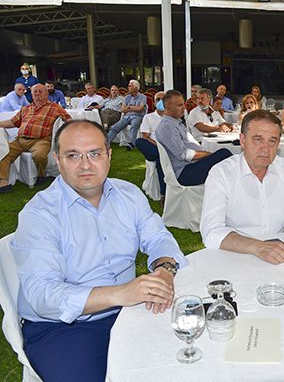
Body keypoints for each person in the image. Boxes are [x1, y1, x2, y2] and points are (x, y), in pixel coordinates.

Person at [12, 119, 188, 381]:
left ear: (109, 156)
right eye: (73, 155)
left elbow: (159, 238)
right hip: (63, 327)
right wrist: (121, 293)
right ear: (58, 160)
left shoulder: (129, 195)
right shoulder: (40, 215)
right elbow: (43, 296)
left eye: (94, 153)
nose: (85, 164)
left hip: (129, 312)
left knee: (187, 359)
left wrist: (165, 270)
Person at [200, 110, 284, 264]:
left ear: (278, 144)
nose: (266, 149)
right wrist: (258, 247)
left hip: (280, 257)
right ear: (242, 140)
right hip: (234, 256)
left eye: (272, 141)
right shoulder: (222, 173)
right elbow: (211, 231)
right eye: (258, 139)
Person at [0, 84, 71, 193]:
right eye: (35, 92)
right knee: (3, 152)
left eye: (40, 91)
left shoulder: (55, 107)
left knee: (39, 155)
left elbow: (68, 120)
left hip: (41, 140)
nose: (37, 94)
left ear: (46, 94)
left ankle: (41, 174)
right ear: (32, 94)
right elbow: (13, 122)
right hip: (20, 140)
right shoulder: (26, 108)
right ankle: (3, 182)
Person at [155, 90, 232, 186]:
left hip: (192, 166)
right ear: (168, 107)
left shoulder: (175, 123)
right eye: (180, 105)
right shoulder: (167, 127)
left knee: (227, 161)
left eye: (183, 104)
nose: (184, 108)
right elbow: (183, 154)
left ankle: (229, 189)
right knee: (224, 155)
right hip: (185, 172)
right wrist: (208, 154)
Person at [135, 91, 166, 202]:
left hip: (167, 148)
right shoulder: (148, 117)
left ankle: (163, 194)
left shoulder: (171, 117)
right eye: (158, 99)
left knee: (160, 160)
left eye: (163, 99)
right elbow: (145, 136)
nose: (161, 102)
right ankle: (164, 194)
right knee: (139, 141)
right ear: (154, 103)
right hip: (154, 147)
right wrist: (158, 145)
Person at [107, 79, 146, 151]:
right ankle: (106, 143)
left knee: (134, 126)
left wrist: (128, 107)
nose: (128, 87)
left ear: (136, 88)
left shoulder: (142, 97)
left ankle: (131, 143)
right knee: (114, 127)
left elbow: (140, 109)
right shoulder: (127, 97)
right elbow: (122, 109)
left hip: (137, 117)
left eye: (130, 86)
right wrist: (134, 108)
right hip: (127, 117)